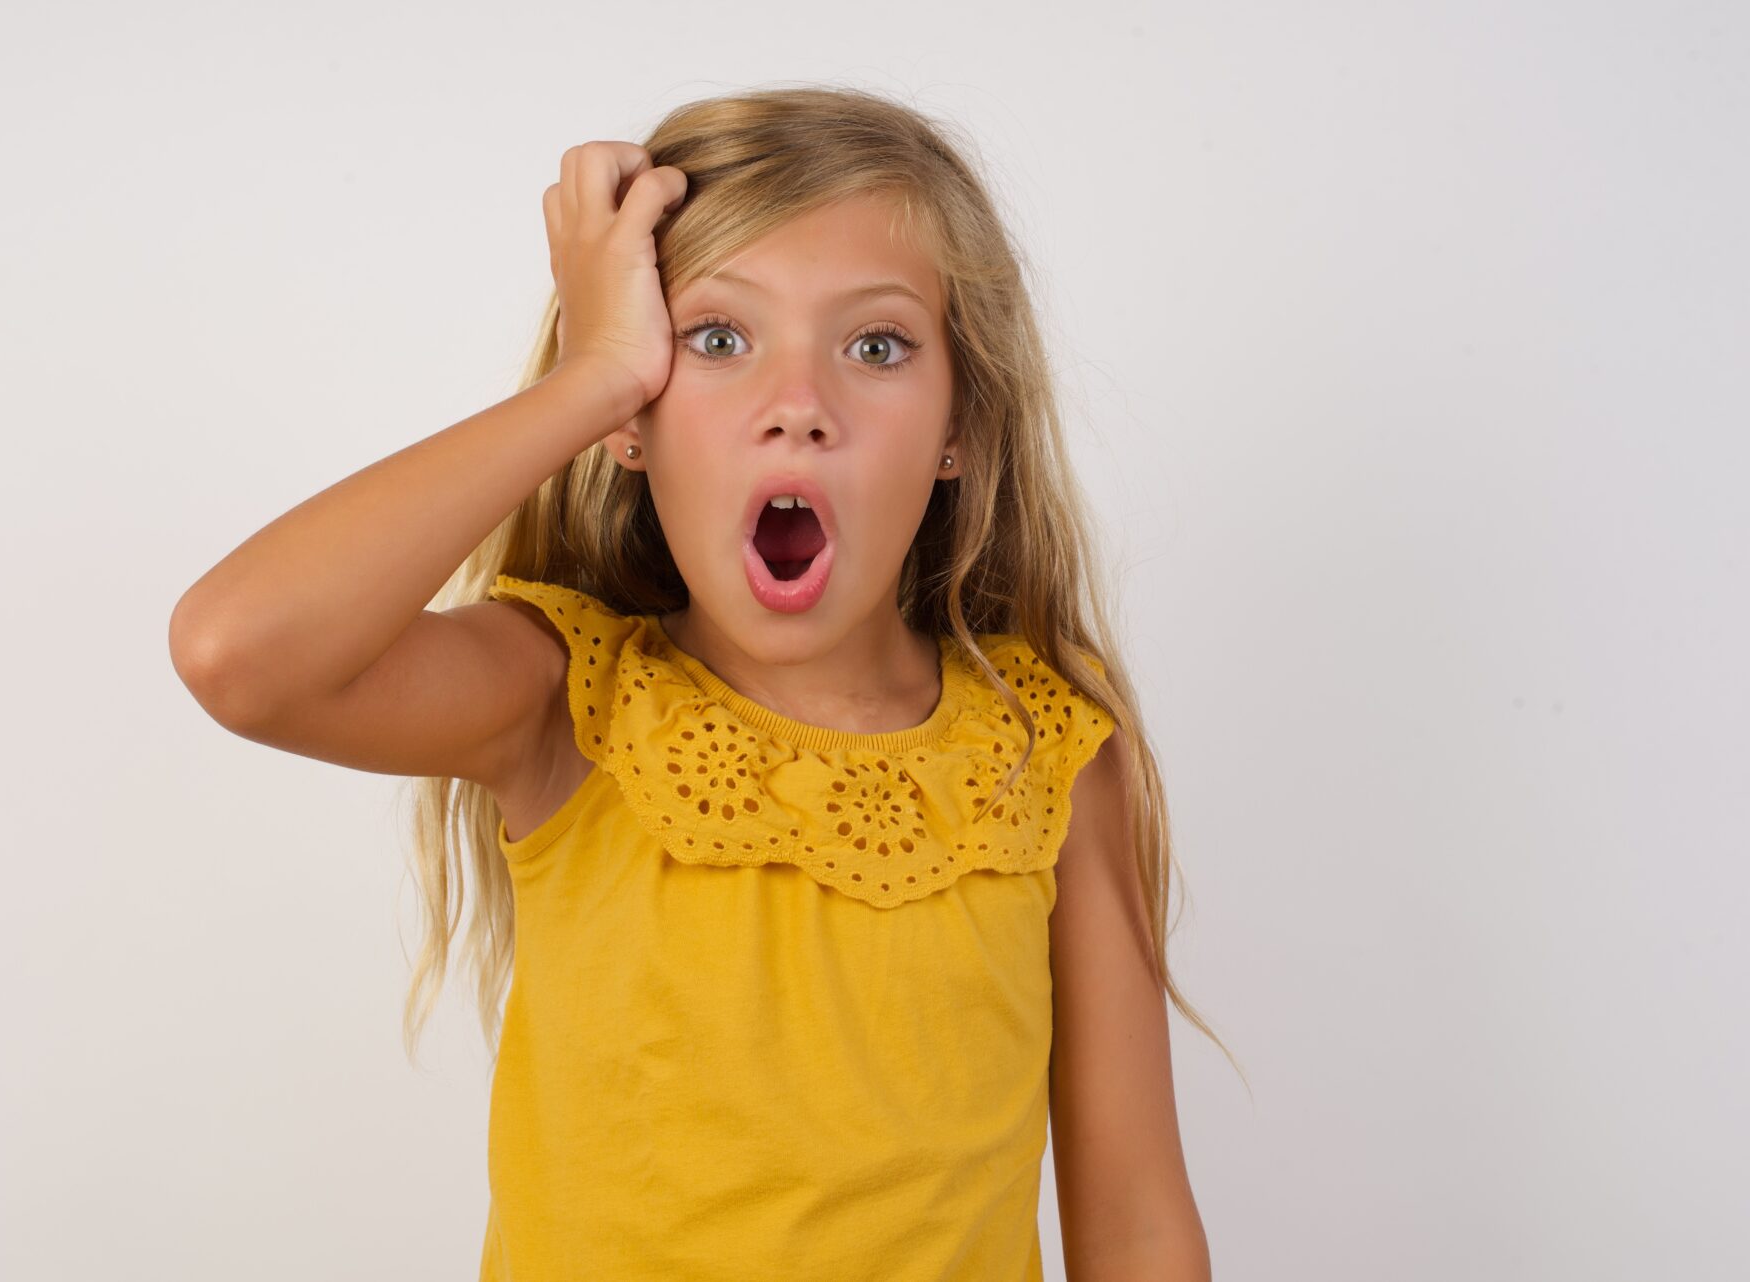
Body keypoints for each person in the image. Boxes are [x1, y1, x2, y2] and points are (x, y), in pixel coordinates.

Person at [170, 84, 1224, 1282]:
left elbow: (1135, 1216)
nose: (799, 411)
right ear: (636, 421)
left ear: (960, 428)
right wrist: (589, 375)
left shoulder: (1050, 755)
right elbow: (237, 653)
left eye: (875, 346)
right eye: (716, 340)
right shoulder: (564, 705)